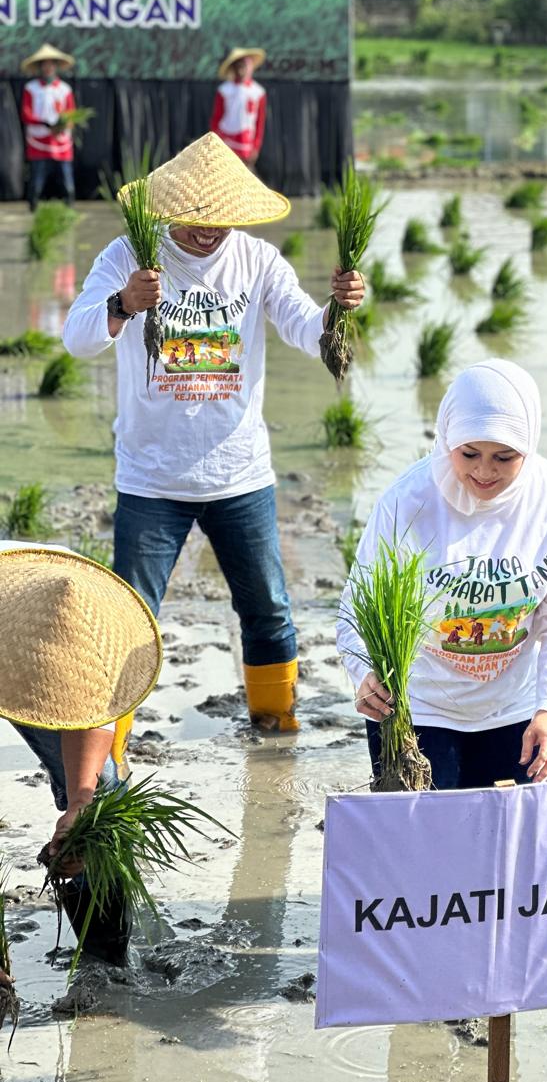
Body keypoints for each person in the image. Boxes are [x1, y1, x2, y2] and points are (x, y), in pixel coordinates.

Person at [62, 132, 365, 735]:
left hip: (240, 476)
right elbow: (77, 339)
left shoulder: (256, 261)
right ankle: (110, 752)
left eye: (222, 219)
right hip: (152, 478)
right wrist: (123, 304)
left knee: (269, 610)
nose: (208, 231)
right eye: (198, 219)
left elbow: (308, 332)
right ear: (169, 205)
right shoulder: (128, 256)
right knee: (132, 621)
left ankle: (275, 726)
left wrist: (341, 307)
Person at [337, 359, 547, 790]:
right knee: (426, 847)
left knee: (516, 848)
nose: (485, 471)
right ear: (446, 438)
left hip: (515, 711)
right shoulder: (408, 501)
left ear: (528, 447)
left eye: (505, 457)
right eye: (469, 453)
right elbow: (356, 610)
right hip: (419, 710)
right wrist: (364, 673)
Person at [0, 542, 161, 964]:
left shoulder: (76, 607)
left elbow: (90, 712)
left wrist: (80, 804)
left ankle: (106, 953)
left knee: (104, 797)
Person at [20, 43, 77, 210]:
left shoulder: (65, 89)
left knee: (67, 182)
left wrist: (64, 124)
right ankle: (33, 211)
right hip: (39, 140)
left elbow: (71, 113)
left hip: (61, 141)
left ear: (56, 66)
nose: (48, 67)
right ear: (39, 67)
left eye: (51, 64)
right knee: (37, 180)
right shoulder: (31, 88)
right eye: (44, 64)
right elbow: (26, 113)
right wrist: (44, 124)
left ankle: (69, 211)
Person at [210, 48, 267, 167]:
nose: (241, 69)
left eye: (245, 65)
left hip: (246, 144)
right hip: (226, 142)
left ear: (250, 67)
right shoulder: (224, 90)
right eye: (238, 65)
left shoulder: (258, 92)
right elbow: (217, 117)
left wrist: (256, 147)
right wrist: (215, 140)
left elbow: (259, 122)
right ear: (233, 68)